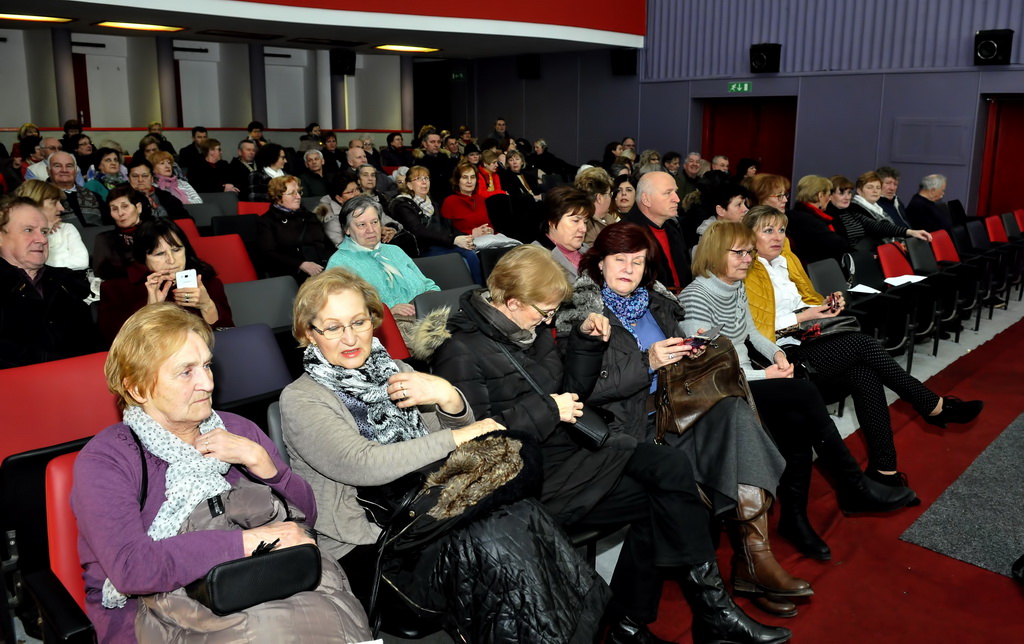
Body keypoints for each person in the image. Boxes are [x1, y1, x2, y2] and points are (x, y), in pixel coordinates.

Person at [414, 245, 791, 644]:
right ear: (510, 302)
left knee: (671, 471)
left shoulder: (531, 329)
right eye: (543, 312)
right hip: (527, 476)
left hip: (570, 449)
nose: (547, 322)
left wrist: (584, 344)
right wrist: (547, 410)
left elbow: (573, 394)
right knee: (662, 495)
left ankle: (692, 614)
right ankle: (673, 619)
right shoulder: (459, 350)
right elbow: (480, 443)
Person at [280, 268, 609, 641]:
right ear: (309, 333)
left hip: (430, 510)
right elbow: (363, 463)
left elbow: (446, 441)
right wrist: (457, 436)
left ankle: (579, 630)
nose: (351, 337)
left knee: (519, 515)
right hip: (372, 544)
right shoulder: (302, 398)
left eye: (358, 321)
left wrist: (449, 399)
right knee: (495, 538)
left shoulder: (396, 370)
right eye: (333, 327)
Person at [72, 303, 371, 643]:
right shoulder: (108, 459)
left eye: (206, 366)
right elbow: (132, 569)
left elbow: (306, 517)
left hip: (269, 579)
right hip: (153, 608)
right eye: (186, 372)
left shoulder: (236, 429)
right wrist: (252, 541)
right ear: (138, 389)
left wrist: (267, 467)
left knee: (333, 617)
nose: (207, 383)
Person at [556, 222, 812, 617]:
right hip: (630, 425)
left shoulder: (656, 304)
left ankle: (753, 556)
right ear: (599, 264)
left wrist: (693, 352)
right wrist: (649, 362)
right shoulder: (584, 315)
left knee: (735, 411)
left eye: (638, 261)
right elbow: (586, 390)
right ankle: (749, 563)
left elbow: (684, 356)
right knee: (738, 428)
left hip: (677, 408)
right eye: (619, 260)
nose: (628, 269)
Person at [680, 221, 919, 562]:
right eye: (739, 252)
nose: (747, 259)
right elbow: (713, 367)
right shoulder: (696, 296)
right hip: (723, 389)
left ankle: (796, 518)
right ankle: (852, 485)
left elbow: (752, 334)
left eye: (750, 251)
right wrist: (766, 374)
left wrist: (777, 355)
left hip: (748, 377)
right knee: (804, 395)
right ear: (714, 254)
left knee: (797, 420)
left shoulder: (734, 286)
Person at [742, 205, 982, 483]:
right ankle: (932, 405)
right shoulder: (747, 270)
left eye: (781, 230)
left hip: (807, 340)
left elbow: (805, 302)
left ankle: (885, 470)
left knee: (865, 375)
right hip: (779, 356)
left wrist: (826, 304)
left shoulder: (786, 261)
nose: (778, 237)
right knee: (863, 345)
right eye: (768, 231)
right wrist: (805, 315)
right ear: (749, 237)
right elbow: (757, 331)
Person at [0, 196, 100, 368]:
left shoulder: (66, 283)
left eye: (44, 231)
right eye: (29, 230)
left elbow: (92, 342)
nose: (42, 239)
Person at [98, 218, 235, 344]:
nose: (172, 260)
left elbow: (229, 338)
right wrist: (150, 312)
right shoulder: (116, 289)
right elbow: (117, 348)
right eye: (159, 254)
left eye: (176, 250)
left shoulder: (208, 282)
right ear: (143, 257)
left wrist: (207, 306)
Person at [326, 196, 438, 318]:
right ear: (347, 229)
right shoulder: (339, 264)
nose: (371, 230)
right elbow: (344, 312)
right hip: (386, 328)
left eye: (374, 222)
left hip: (427, 315)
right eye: (362, 225)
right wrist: (387, 312)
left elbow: (427, 284)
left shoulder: (394, 251)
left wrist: (433, 296)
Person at [389, 165, 483, 283]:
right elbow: (419, 231)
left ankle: (479, 289)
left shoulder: (432, 203)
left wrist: (465, 236)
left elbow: (446, 226)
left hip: (437, 244)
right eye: (418, 179)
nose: (424, 182)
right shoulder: (402, 205)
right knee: (466, 255)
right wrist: (453, 240)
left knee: (471, 251)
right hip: (420, 249)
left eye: (426, 178)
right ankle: (476, 290)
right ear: (409, 185)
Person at [622, 171, 692, 291]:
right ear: (646, 199)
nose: (677, 199)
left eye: (675, 192)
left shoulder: (673, 228)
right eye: (668, 193)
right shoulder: (626, 233)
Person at [255, 175, 333, 283]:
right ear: (277, 197)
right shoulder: (267, 221)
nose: (298, 197)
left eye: (298, 192)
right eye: (292, 193)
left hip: (324, 269)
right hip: (292, 274)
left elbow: (327, 244)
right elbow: (269, 253)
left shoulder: (309, 216)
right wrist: (300, 264)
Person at [842, 172, 932, 247]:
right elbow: (879, 227)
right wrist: (909, 234)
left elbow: (890, 228)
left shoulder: (877, 206)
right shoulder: (854, 207)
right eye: (870, 187)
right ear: (859, 190)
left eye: (878, 188)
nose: (875, 191)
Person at [14, 180, 88, 271]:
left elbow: (82, 262)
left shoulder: (66, 228)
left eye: (60, 202)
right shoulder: (15, 232)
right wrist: (45, 232)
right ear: (35, 203)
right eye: (54, 203)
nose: (61, 208)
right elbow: (25, 264)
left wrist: (46, 265)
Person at [784, 175, 852, 267]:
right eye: (828, 195)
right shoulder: (806, 218)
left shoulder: (798, 214)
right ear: (820, 196)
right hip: (818, 268)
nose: (829, 199)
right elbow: (838, 243)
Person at [92, 185, 153, 280]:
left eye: (125, 206)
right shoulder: (104, 239)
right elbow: (100, 274)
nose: (120, 213)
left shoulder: (156, 232)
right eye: (114, 209)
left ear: (138, 207)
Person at [533, 185, 593, 279]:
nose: (584, 229)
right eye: (575, 221)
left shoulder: (587, 251)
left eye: (585, 222)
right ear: (553, 222)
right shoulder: (535, 258)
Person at [441, 162, 494, 237]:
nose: (469, 181)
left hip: (487, 240)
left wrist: (490, 230)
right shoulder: (450, 201)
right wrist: (471, 234)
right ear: (457, 181)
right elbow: (446, 233)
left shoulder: (480, 199)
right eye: (465, 177)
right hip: (464, 244)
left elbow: (488, 224)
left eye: (472, 177)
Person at [577, 167, 618, 244]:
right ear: (600, 198)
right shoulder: (585, 224)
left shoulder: (609, 218)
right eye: (610, 194)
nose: (611, 198)